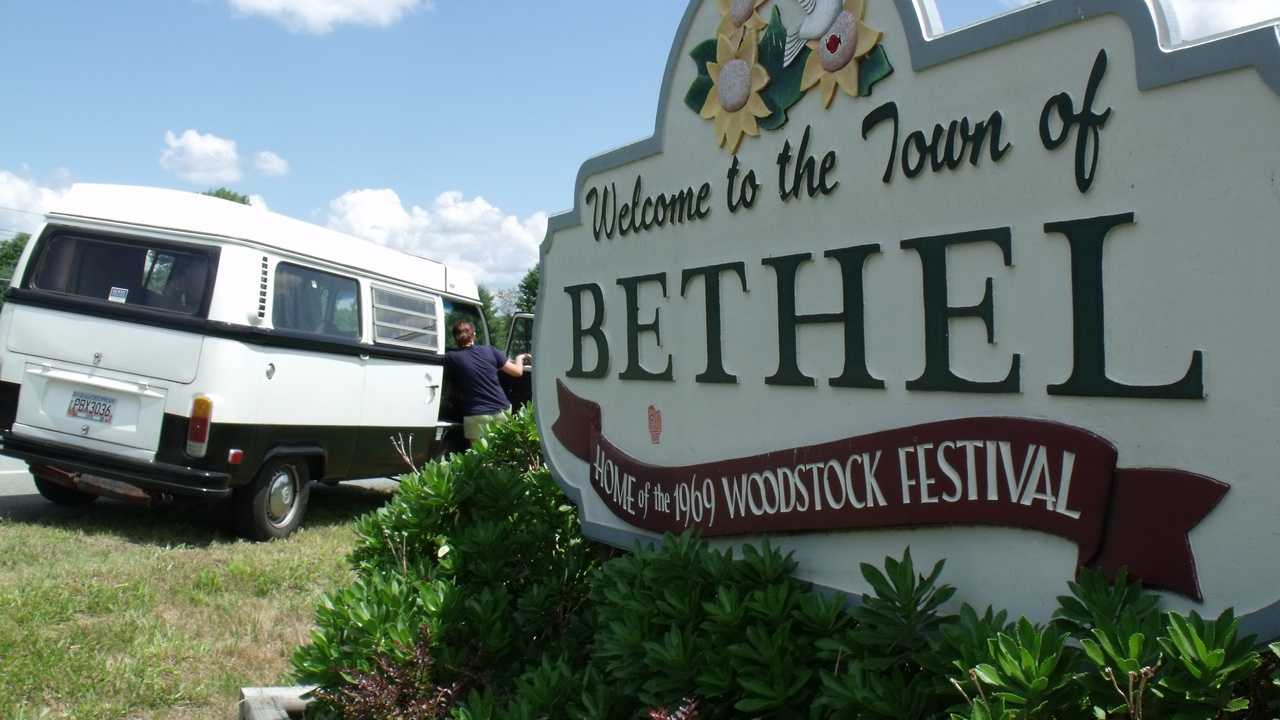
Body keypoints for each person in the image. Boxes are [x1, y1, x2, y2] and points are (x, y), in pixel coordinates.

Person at [444, 320, 531, 445]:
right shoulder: (490, 350)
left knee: (480, 455)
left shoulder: (451, 357)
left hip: (477, 415)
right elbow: (517, 372)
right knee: (500, 453)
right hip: (502, 410)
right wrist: (520, 357)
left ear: (455, 338)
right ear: (474, 335)